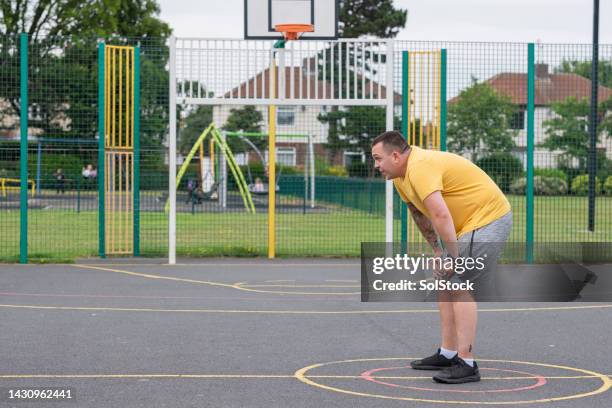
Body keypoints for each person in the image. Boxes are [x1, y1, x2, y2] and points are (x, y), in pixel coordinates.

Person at [371, 131, 512, 384]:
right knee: (444, 282)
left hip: (487, 219)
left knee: (460, 285)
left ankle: (467, 363)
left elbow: (441, 215)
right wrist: (437, 250)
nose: (376, 165)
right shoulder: (401, 177)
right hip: (467, 227)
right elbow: (419, 214)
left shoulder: (419, 168)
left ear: (395, 155)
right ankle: (448, 353)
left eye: (378, 158)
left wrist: (454, 258)